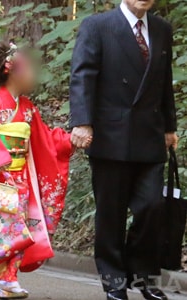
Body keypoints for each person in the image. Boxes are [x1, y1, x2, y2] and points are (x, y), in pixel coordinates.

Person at [69, 0, 177, 299]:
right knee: (111, 213)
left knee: (152, 207)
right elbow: (82, 76)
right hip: (110, 134)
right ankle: (114, 280)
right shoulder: (98, 26)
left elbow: (163, 81)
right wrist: (82, 122)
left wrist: (169, 126)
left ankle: (144, 277)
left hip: (150, 134)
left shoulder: (161, 29)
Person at [0, 41, 72, 299]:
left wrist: (68, 141)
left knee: (18, 230)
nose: (33, 75)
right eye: (29, 69)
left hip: (20, 179)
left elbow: (45, 140)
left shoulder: (28, 108)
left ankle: (9, 278)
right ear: (12, 71)